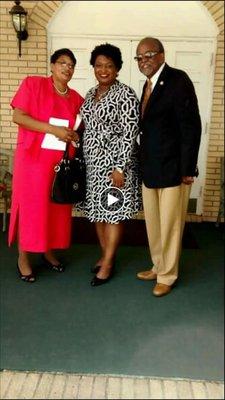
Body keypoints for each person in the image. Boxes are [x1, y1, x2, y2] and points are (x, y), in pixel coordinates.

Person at [9, 48, 84, 282]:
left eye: (71, 65)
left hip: (59, 163)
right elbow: (18, 117)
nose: (67, 68)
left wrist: (73, 136)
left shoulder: (76, 99)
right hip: (32, 161)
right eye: (62, 62)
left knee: (54, 207)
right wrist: (54, 130)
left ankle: (47, 251)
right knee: (31, 207)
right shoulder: (33, 85)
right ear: (52, 65)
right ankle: (23, 257)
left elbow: (79, 130)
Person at [135, 37, 201, 297]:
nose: (144, 61)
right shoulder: (148, 85)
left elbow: (190, 126)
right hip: (150, 167)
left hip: (173, 169)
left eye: (149, 55)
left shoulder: (178, 80)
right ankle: (158, 265)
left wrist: (188, 168)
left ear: (162, 55)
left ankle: (168, 275)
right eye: (139, 57)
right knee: (153, 223)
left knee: (171, 225)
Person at [80, 43, 140, 286]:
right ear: (93, 67)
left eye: (109, 66)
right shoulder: (90, 93)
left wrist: (119, 167)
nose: (103, 70)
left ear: (117, 69)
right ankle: (105, 255)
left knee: (112, 213)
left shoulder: (125, 94)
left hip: (114, 169)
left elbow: (130, 132)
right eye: (99, 65)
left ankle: (107, 264)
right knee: (98, 213)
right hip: (93, 166)